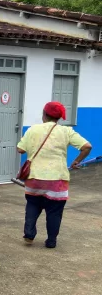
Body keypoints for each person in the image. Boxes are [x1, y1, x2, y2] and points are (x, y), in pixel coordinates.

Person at [17, 101, 92, 248]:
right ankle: (51, 241)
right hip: (57, 180)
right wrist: (76, 161)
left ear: (44, 114)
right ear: (58, 118)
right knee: (55, 212)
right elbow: (87, 146)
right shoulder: (66, 131)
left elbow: (20, 149)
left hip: (34, 178)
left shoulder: (33, 129)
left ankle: (29, 236)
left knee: (32, 205)